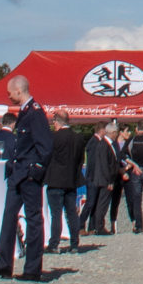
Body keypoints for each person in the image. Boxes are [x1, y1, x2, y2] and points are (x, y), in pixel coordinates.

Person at [0, 75, 51, 278]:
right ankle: (3, 264)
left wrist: (35, 171)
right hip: (18, 174)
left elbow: (45, 146)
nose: (8, 96)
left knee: (33, 220)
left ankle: (32, 269)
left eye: (10, 92)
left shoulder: (35, 113)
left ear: (19, 91)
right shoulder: (24, 112)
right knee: (8, 217)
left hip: (28, 175)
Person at [44, 106, 83, 254]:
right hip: (71, 180)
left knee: (56, 214)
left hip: (55, 180)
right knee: (72, 213)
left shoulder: (54, 138)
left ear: (57, 122)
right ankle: (74, 243)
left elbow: (47, 157)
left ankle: (54, 243)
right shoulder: (78, 138)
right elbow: (80, 160)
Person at [78, 120, 119, 242]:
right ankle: (81, 225)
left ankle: (92, 226)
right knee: (91, 202)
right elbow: (94, 162)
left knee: (95, 203)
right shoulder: (94, 142)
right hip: (94, 177)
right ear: (102, 131)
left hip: (96, 176)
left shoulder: (98, 142)